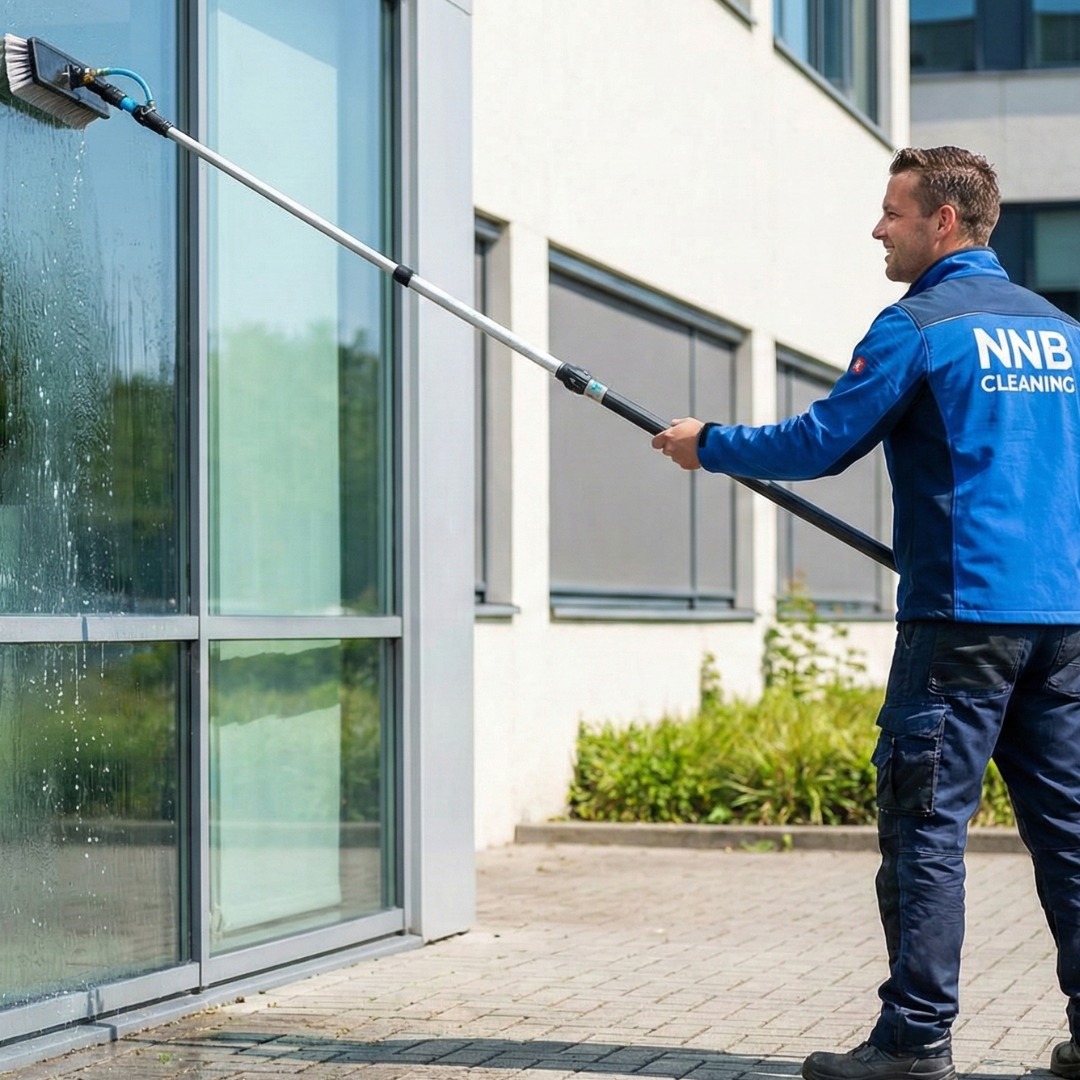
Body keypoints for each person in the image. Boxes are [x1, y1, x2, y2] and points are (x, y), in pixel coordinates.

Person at [652, 145, 1080, 1080]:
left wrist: (711, 444)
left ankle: (913, 1042)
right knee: (1069, 831)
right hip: (1063, 627)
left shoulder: (919, 325)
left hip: (962, 623)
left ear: (945, 223)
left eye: (892, 211)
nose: (877, 228)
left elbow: (824, 441)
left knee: (924, 824)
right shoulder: (1062, 333)